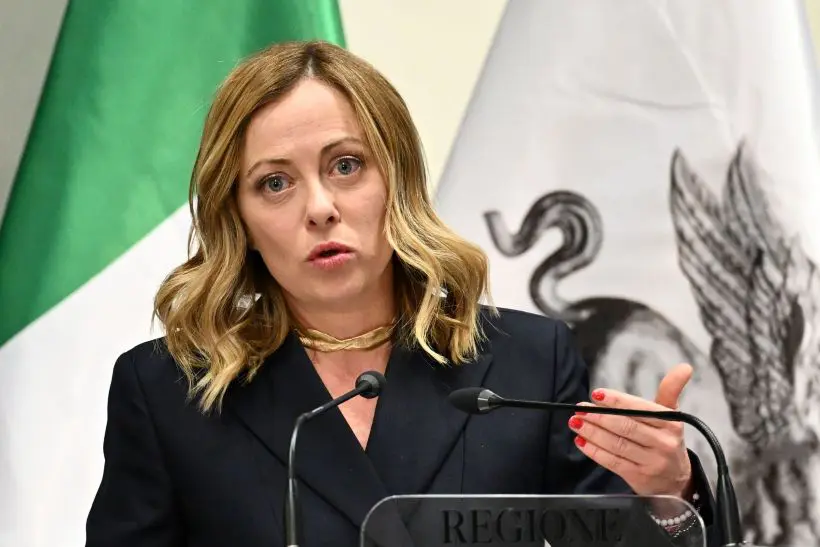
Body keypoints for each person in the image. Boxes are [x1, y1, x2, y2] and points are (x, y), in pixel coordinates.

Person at [85, 41, 715, 547]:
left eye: (346, 165)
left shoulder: (526, 364)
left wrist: (667, 492)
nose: (320, 208)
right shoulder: (168, 394)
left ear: (398, 181)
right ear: (240, 219)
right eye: (275, 183)